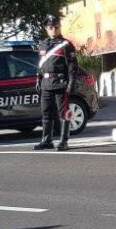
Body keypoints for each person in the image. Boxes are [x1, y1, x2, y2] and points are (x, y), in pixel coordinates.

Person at [34, 15, 78, 151]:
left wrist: (71, 83)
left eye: (56, 27)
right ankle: (47, 140)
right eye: (50, 27)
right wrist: (38, 79)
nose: (53, 29)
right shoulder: (43, 44)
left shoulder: (66, 45)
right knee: (46, 112)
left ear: (59, 27)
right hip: (46, 83)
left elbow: (72, 67)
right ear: (47, 29)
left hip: (60, 83)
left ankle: (64, 141)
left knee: (64, 113)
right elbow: (40, 65)